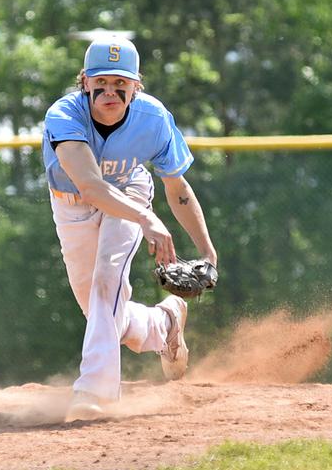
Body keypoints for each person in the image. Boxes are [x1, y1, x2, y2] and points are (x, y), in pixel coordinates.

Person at [42, 36, 219, 422]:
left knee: (109, 283)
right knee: (101, 311)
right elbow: (90, 186)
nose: (110, 91)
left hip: (130, 193)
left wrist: (208, 253)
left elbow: (178, 188)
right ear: (85, 82)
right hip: (73, 204)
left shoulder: (153, 119)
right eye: (101, 82)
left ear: (136, 85)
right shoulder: (64, 116)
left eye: (121, 83)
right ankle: (165, 322)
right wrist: (147, 218)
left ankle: (94, 392)